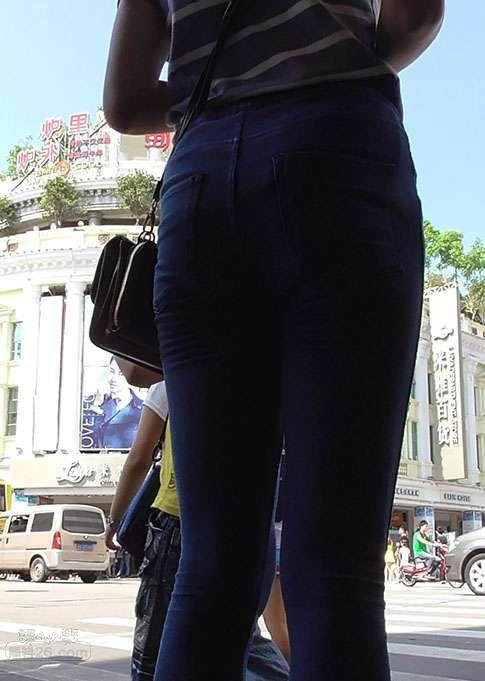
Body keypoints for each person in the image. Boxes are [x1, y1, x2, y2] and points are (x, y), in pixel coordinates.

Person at [104, 1, 445, 678]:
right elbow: (416, 16)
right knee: (334, 571)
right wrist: (326, 61)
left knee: (212, 567)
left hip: (201, 182)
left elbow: (123, 100)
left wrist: (224, 83)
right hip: (338, 152)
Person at [105, 381, 289, 681]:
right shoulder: (261, 372)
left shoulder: (171, 379)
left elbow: (139, 457)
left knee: (152, 647)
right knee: (239, 633)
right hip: (247, 524)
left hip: (178, 521)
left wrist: (115, 521)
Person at [82, 356, 144, 449]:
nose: (113, 379)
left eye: (121, 374)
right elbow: (85, 441)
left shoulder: (143, 410)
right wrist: (95, 407)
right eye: (111, 371)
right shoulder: (95, 404)